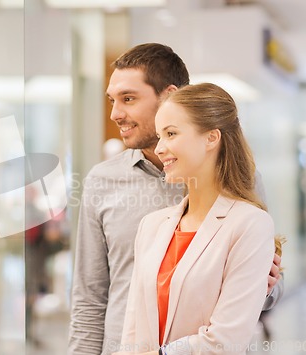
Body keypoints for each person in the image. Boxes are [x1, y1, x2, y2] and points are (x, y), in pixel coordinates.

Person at [67, 43, 283, 355]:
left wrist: (263, 284)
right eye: (112, 100)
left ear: (169, 95)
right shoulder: (103, 182)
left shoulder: (242, 184)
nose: (115, 113)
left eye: (128, 99)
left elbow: (265, 295)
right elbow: (89, 298)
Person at [114, 82, 275, 354]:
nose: (160, 148)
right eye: (159, 136)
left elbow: (225, 342)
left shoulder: (250, 224)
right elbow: (132, 332)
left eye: (171, 134)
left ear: (211, 138)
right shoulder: (152, 226)